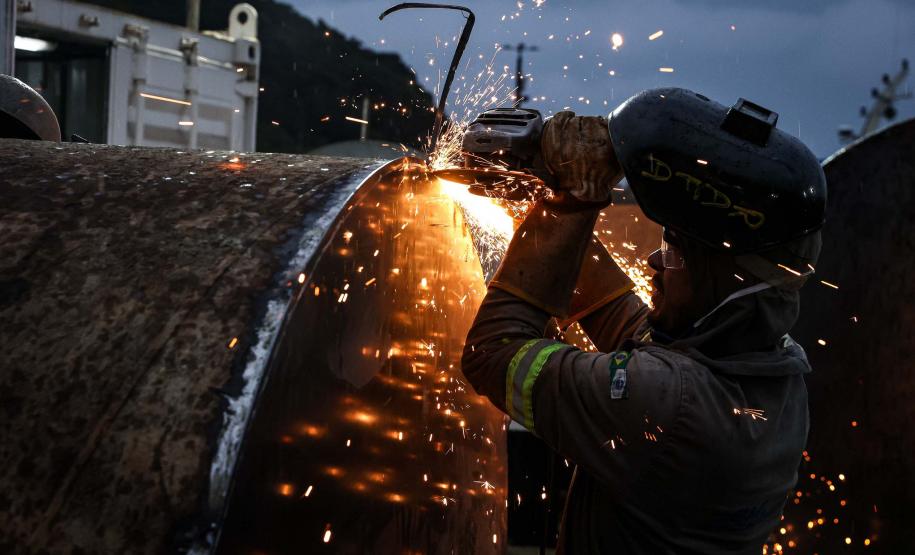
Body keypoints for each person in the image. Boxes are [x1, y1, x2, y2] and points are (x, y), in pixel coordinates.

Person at [461, 88, 826, 554]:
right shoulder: (773, 370)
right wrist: (543, 203)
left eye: (674, 251)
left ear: (723, 278)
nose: (654, 259)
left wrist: (570, 205)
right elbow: (614, 314)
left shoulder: (670, 404)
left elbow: (491, 352)